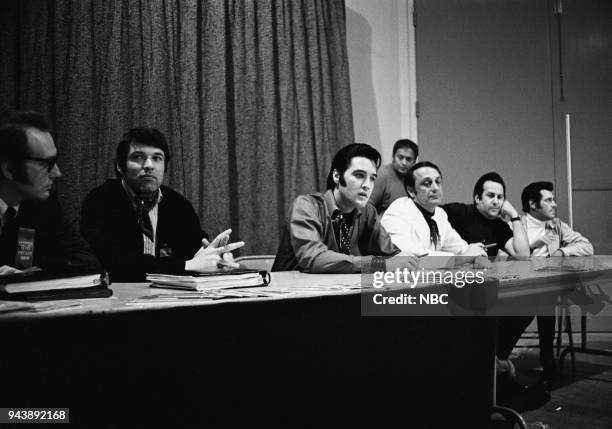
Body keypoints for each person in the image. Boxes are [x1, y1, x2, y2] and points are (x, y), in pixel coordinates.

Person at [81, 127, 242, 282]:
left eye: (157, 158)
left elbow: (195, 248)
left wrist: (216, 256)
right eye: (138, 157)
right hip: (117, 297)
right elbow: (117, 264)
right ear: (119, 166)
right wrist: (186, 266)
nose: (149, 165)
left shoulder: (177, 204)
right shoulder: (100, 201)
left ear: (165, 166)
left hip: (171, 298)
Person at [443, 173, 548, 410]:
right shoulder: (458, 212)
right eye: (490, 196)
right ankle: (490, 371)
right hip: (453, 289)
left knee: (526, 306)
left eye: (500, 197)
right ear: (476, 198)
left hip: (481, 291)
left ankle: (493, 366)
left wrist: (513, 216)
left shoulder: (499, 226)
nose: (496, 201)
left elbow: (523, 255)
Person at [272, 143, 418, 273]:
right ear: (337, 176)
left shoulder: (367, 212)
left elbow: (392, 255)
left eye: (372, 178)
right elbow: (315, 259)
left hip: (338, 293)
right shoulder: (307, 206)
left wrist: (406, 261)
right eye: (359, 175)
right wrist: (379, 264)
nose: (367, 185)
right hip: (291, 297)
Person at [0, 110, 100, 275]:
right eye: (46, 163)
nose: (57, 173)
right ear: (9, 169)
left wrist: (35, 273)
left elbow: (88, 261)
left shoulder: (42, 202)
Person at [521, 181, 594, 379]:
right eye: (548, 200)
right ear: (533, 204)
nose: (554, 204)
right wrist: (531, 245)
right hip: (521, 283)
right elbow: (507, 256)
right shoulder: (517, 225)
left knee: (545, 297)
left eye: (553, 200)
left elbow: (587, 246)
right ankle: (506, 357)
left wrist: (562, 251)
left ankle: (546, 358)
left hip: (547, 284)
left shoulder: (557, 225)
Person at [380, 161, 487, 264]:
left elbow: (461, 248)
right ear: (411, 191)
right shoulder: (398, 211)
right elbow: (408, 258)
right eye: (427, 183)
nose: (435, 188)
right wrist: (462, 259)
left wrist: (477, 257)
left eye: (438, 182)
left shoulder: (439, 214)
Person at [368, 139, 418, 214]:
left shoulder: (415, 177)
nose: (404, 163)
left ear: (414, 161)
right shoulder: (382, 175)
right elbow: (367, 207)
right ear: (393, 157)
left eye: (408, 159)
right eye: (400, 158)